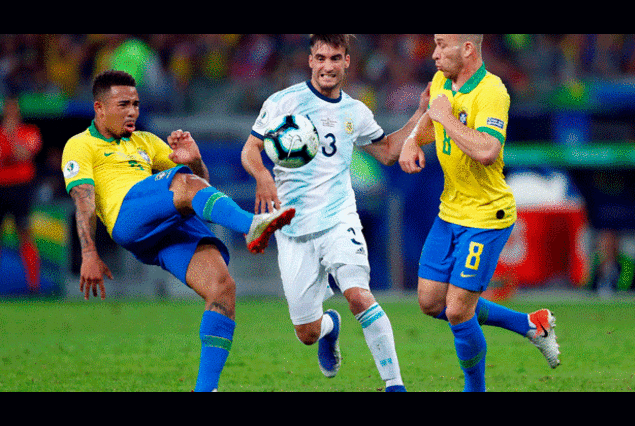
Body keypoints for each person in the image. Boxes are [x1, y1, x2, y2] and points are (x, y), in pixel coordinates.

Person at [61, 70, 295, 392]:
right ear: (99, 108)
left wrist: (194, 161)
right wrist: (89, 252)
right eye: (123, 105)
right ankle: (252, 225)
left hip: (163, 230)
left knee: (222, 288)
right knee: (182, 181)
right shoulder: (80, 145)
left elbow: (200, 190)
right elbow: (84, 201)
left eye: (136, 104)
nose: (132, 112)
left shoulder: (147, 142)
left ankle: (205, 390)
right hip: (127, 217)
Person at [241, 34, 429, 392]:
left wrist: (420, 114)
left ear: (346, 62)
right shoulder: (283, 102)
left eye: (336, 58)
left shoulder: (355, 112)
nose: (328, 66)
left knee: (358, 295)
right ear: (310, 60)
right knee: (307, 333)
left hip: (338, 219)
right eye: (321, 58)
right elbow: (250, 150)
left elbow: (389, 150)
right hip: (292, 226)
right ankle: (329, 327)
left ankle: (395, 385)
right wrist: (263, 176)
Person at [399, 34, 561, 392]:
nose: (435, 53)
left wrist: (443, 115)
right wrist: (412, 140)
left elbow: (488, 149)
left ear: (467, 49)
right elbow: (431, 120)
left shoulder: (492, 91)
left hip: (487, 216)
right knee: (429, 302)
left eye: (442, 45)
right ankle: (530, 324)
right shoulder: (442, 80)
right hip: (450, 212)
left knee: (458, 310)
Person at [0, 94, 42, 293]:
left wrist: (10, 138)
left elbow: (23, 154)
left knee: (24, 235)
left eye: (13, 109)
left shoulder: (29, 132)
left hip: (20, 189)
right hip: (1, 187)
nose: (10, 113)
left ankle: (33, 286)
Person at [588, 229, 635, 297]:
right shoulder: (594, 265)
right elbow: (588, 289)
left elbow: (626, 289)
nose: (607, 248)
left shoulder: (627, 265)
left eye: (610, 244)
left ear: (616, 245)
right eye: (605, 245)